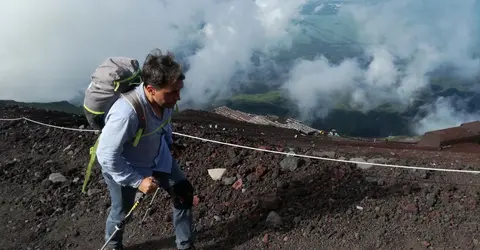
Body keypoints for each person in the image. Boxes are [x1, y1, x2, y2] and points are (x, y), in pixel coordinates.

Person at [95, 49, 196, 250]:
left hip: (158, 157)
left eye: (179, 90)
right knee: (121, 211)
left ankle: (185, 246)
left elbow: (163, 124)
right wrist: (138, 181)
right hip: (127, 168)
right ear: (150, 89)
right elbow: (106, 156)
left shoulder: (164, 101)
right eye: (172, 92)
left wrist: (169, 143)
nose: (178, 97)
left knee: (183, 192)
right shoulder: (125, 114)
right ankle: (112, 246)